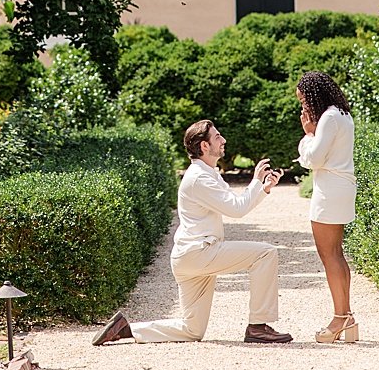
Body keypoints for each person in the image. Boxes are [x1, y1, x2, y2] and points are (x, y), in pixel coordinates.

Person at [93, 118, 292, 345]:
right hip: (199, 254)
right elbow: (237, 209)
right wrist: (256, 181)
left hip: (190, 257)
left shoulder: (204, 173)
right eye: (217, 137)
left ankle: (127, 330)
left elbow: (237, 204)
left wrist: (263, 189)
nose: (223, 140)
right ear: (204, 146)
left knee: (192, 330)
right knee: (265, 253)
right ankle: (258, 327)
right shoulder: (200, 178)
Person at [296, 70, 358, 343]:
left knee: (329, 255)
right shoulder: (342, 115)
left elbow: (315, 159)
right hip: (341, 188)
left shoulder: (329, 118)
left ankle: (339, 318)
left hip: (330, 190)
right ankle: (347, 318)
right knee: (337, 254)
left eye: (303, 101)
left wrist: (308, 135)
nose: (303, 107)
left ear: (313, 96)